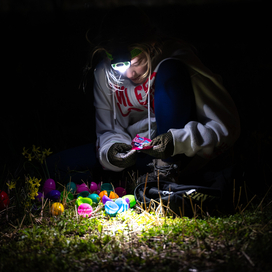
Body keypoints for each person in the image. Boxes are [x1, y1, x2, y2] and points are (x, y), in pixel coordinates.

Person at [86, 5, 240, 184]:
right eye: (118, 66)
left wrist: (175, 142)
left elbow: (227, 128)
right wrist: (111, 152)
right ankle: (137, 180)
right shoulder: (103, 72)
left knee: (170, 70)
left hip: (182, 156)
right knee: (57, 164)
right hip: (138, 160)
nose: (129, 75)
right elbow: (107, 130)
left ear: (151, 45)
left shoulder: (176, 59)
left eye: (137, 62)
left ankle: (166, 171)